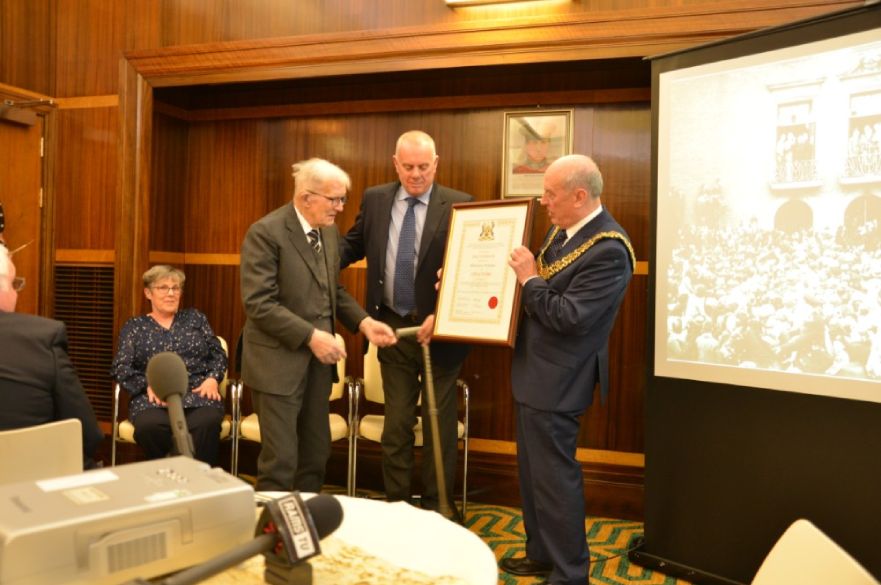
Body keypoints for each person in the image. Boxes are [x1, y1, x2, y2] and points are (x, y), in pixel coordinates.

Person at [502, 154, 635, 585]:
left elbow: (569, 316)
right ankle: (541, 554)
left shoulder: (609, 249)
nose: (543, 202)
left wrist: (528, 279)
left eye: (551, 194)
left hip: (560, 379)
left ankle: (569, 573)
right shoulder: (563, 230)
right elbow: (536, 286)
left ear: (580, 196)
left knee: (556, 482)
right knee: (533, 476)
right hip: (534, 373)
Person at [240, 157, 397, 493]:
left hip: (316, 367)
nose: (341, 208)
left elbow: (332, 290)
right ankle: (273, 538)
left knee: (315, 454)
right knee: (280, 461)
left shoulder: (327, 234)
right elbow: (259, 305)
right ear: (306, 197)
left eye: (342, 199)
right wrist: (311, 336)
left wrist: (365, 322)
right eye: (334, 199)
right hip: (276, 367)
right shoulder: (266, 233)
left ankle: (308, 531)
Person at [340, 130, 472, 521]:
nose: (416, 175)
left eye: (424, 167)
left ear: (437, 163)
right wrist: (317, 258)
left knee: (438, 426)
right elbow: (353, 244)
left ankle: (439, 508)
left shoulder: (459, 204)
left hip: (439, 332)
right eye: (409, 166)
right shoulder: (376, 199)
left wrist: (446, 307)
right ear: (395, 163)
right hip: (392, 330)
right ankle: (397, 508)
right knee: (396, 425)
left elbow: (470, 267)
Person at [110, 265, 227, 465]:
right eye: (163, 288)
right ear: (148, 293)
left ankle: (200, 483)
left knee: (206, 423)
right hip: (153, 398)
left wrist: (212, 378)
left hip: (199, 393)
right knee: (150, 427)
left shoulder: (195, 318)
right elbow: (120, 367)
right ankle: (167, 478)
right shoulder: (135, 327)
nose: (171, 293)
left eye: (176, 288)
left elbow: (218, 354)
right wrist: (146, 385)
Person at [0, 243, 103, 469]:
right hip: (32, 483)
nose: (17, 294)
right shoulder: (43, 336)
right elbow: (86, 433)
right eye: (15, 285)